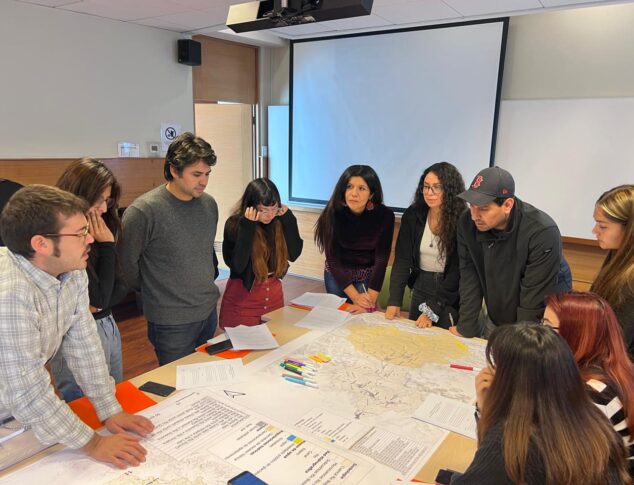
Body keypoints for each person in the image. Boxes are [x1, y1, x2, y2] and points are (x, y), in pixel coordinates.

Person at [0, 185, 153, 468]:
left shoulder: (71, 271)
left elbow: (84, 344)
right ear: (42, 244)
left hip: (14, 402)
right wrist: (93, 443)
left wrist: (109, 409)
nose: (91, 238)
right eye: (81, 232)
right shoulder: (10, 293)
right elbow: (26, 391)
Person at [451, 324, 630, 484]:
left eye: (497, 367)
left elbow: (486, 470)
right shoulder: (594, 420)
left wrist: (487, 411)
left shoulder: (509, 443)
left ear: (512, 381)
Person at [119, 132, 221, 365]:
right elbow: (125, 266)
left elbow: (205, 253)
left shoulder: (209, 205)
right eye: (196, 174)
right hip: (171, 321)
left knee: (204, 376)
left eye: (207, 174)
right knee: (176, 383)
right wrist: (157, 290)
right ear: (174, 170)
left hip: (207, 311)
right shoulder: (144, 211)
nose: (204, 181)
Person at [452, 166, 572, 338]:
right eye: (472, 206)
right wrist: (466, 328)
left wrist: (519, 345)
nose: (474, 215)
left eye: (484, 208)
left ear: (507, 205)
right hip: (498, 311)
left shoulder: (541, 232)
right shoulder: (467, 223)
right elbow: (469, 276)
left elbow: (533, 302)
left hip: (540, 319)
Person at [50, 158, 127, 402]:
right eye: (98, 200)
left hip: (107, 323)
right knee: (83, 402)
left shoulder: (104, 227)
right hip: (76, 332)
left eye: (108, 200)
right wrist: (107, 246)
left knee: (113, 396)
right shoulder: (63, 236)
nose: (103, 208)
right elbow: (101, 296)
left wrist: (108, 245)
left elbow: (122, 287)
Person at [544, 291, 634, 474]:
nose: (539, 336)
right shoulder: (610, 368)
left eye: (547, 329)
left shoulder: (593, 395)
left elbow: (562, 463)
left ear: (576, 335)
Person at [385, 162, 466, 328]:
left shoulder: (462, 220)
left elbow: (457, 271)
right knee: (415, 334)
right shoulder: (413, 214)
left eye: (437, 187)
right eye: (426, 187)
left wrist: (432, 309)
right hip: (420, 284)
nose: (429, 193)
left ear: (450, 189)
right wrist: (394, 300)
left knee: (441, 338)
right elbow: (402, 260)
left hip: (449, 291)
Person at [219, 178, 303, 328]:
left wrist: (289, 220)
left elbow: (294, 254)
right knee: (243, 341)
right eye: (263, 210)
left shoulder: (278, 221)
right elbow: (238, 266)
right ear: (250, 207)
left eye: (273, 209)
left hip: (274, 296)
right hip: (243, 300)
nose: (269, 215)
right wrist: (248, 227)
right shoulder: (235, 224)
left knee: (274, 337)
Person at [314, 165, 395, 314]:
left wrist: (370, 299)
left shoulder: (384, 216)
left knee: (365, 315)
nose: (354, 193)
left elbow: (381, 259)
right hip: (337, 273)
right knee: (339, 315)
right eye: (349, 187)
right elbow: (333, 260)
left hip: (366, 274)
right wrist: (356, 297)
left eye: (362, 188)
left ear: (371, 194)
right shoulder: (332, 213)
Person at [590, 185, 634, 353]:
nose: (594, 231)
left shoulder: (630, 281)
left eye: (602, 226)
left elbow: (618, 344)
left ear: (629, 229)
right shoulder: (618, 254)